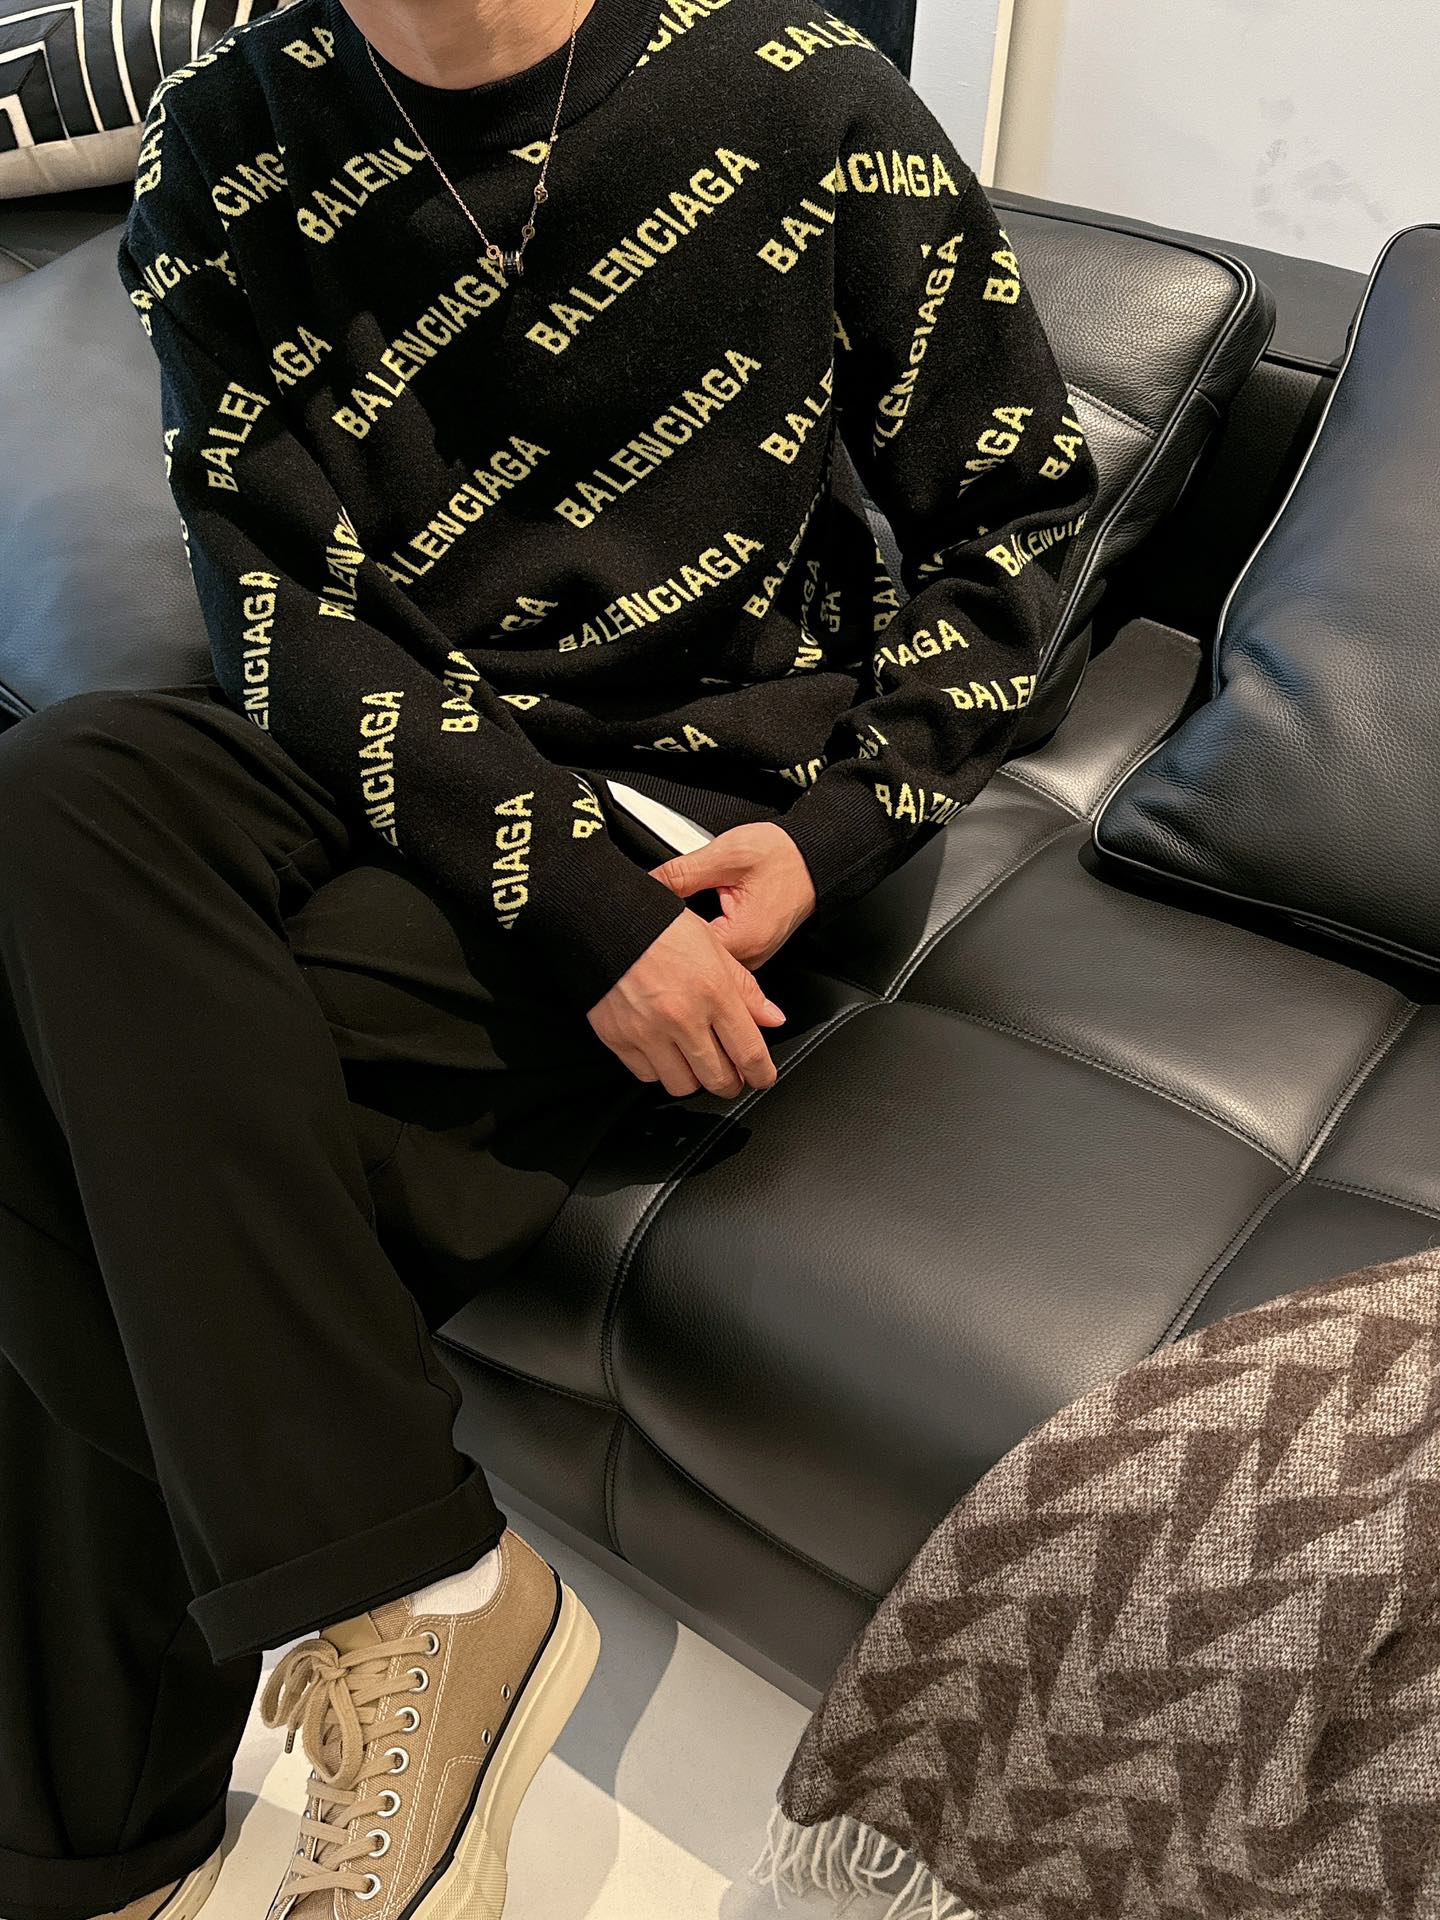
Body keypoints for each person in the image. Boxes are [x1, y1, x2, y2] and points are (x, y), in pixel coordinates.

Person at [0, 0, 1099, 1916]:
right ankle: (421, 1587)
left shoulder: (800, 91)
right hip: (378, 747)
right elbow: (268, 594)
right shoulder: (226, 133)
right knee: (57, 789)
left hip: (698, 798)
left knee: (89, 1091)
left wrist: (840, 825)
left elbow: (1016, 517)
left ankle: (87, 1851)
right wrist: (557, 895)